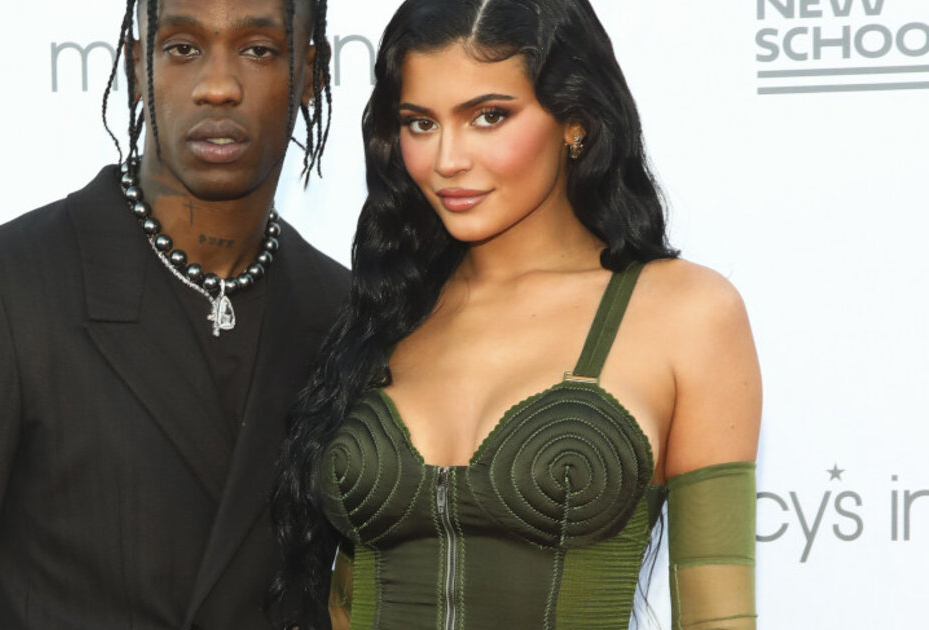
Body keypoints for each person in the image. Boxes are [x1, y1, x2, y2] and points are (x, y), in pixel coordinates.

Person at [0, 0, 345, 628]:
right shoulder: (4, 291)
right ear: (138, 68)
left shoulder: (344, 314)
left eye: (258, 49)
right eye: (182, 47)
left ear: (310, 74)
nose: (218, 86)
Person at [272, 0, 762, 628]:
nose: (447, 159)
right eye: (420, 123)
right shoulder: (382, 313)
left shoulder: (687, 315)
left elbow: (717, 616)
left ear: (574, 121)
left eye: (488, 116)